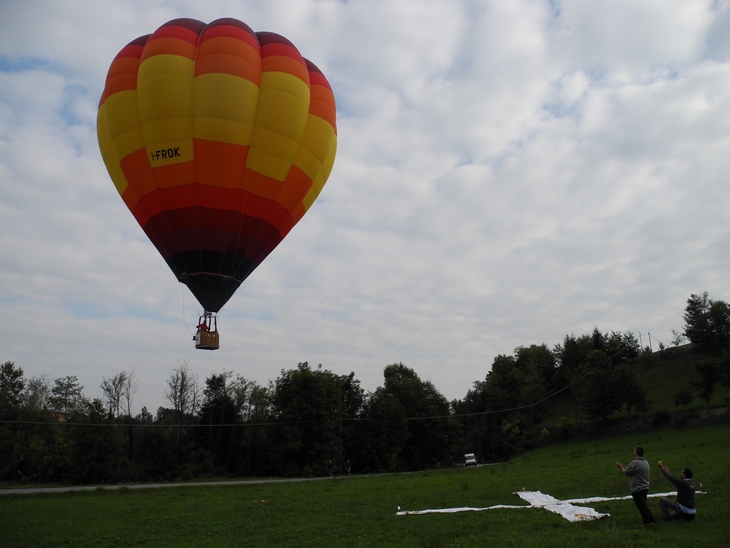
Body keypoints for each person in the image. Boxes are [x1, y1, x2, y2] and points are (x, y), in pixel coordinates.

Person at [616, 446, 657, 526]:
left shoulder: (635, 463)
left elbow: (626, 473)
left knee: (642, 507)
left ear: (636, 452)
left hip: (637, 489)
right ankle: (651, 520)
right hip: (645, 488)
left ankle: (648, 522)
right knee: (643, 505)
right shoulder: (646, 462)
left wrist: (621, 467)